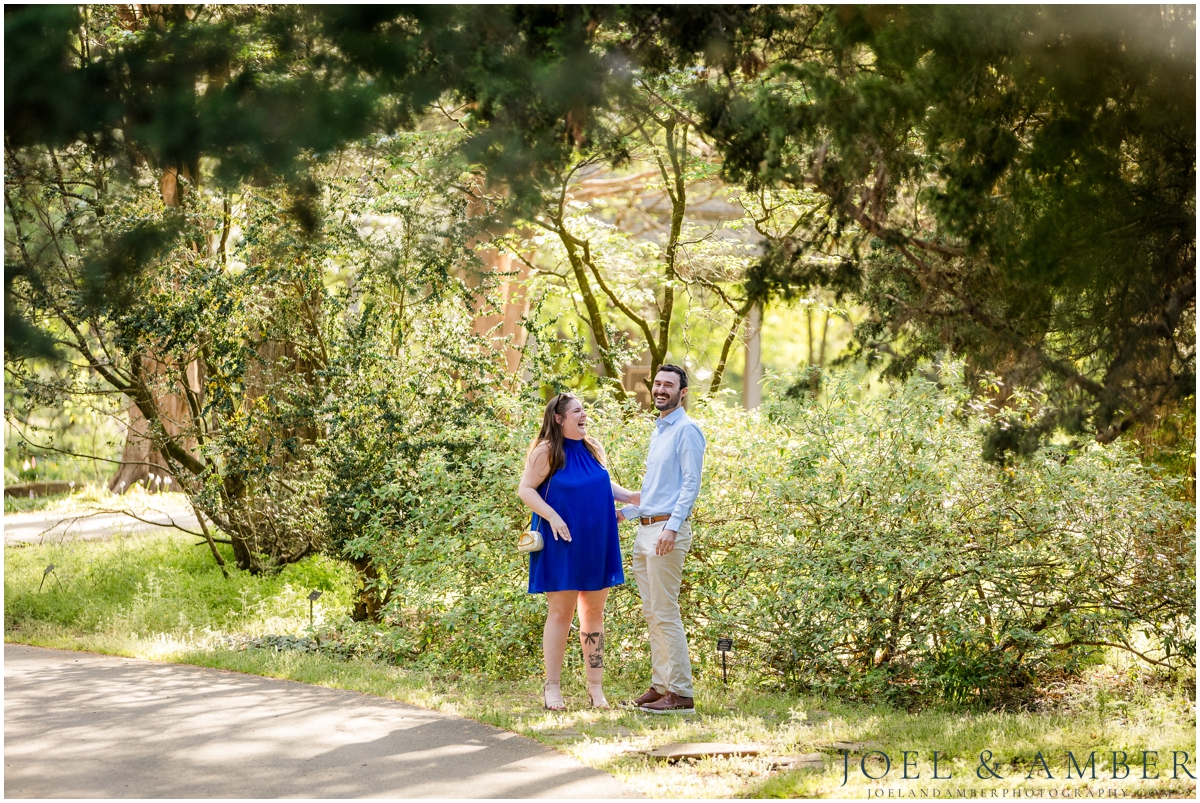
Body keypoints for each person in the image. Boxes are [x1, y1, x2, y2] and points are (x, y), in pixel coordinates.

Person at [518, 392, 640, 710]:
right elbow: (526, 489)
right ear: (559, 418)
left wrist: (630, 497)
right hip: (561, 541)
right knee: (560, 614)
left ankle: (596, 688)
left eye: (585, 410)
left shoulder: (592, 447)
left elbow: (600, 485)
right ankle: (552, 687)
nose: (584, 415)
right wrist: (553, 516)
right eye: (577, 411)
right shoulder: (546, 452)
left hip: (597, 539)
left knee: (594, 614)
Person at [618, 364, 706, 714]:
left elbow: (690, 485)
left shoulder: (687, 430)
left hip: (667, 531)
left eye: (669, 385)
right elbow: (655, 492)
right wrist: (625, 513)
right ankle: (660, 686)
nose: (660, 389)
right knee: (652, 613)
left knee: (666, 612)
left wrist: (672, 527)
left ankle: (681, 693)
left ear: (682, 392)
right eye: (657, 383)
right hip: (646, 530)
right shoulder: (659, 431)